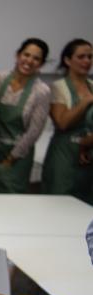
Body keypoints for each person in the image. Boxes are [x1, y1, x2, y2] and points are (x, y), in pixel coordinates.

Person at [0, 38, 51, 193]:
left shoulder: (41, 91)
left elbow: (34, 131)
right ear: (18, 55)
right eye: (26, 55)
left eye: (36, 58)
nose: (29, 61)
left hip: (18, 160)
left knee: (11, 207)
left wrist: (11, 159)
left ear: (41, 64)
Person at [42, 39, 93, 203]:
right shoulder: (58, 87)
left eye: (90, 57)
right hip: (64, 157)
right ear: (67, 60)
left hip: (89, 156)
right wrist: (86, 101)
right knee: (59, 203)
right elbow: (62, 122)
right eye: (81, 57)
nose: (87, 61)